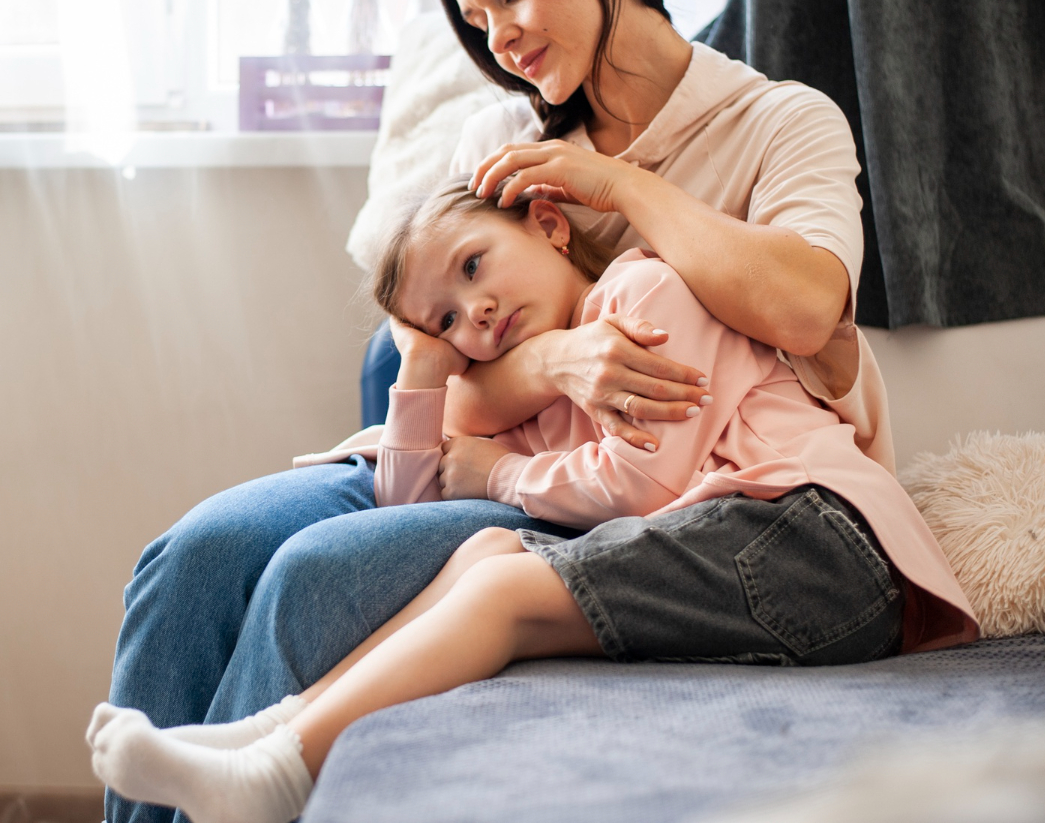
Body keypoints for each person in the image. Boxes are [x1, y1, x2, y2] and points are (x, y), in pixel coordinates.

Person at [104, 0, 892, 823]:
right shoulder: (495, 141)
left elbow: (808, 309)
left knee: (312, 576)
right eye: (477, 20)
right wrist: (561, 359)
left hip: (634, 480)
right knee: (192, 555)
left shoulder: (781, 123)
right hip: (476, 445)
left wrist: (624, 188)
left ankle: (265, 769)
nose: (500, 36)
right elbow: (435, 373)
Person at [88, 175, 977, 823]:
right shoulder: (531, 405)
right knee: (486, 553)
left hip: (818, 538)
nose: (473, 311)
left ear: (549, 225)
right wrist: (428, 363)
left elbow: (645, 484)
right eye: (445, 316)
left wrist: (496, 474)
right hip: (755, 547)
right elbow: (405, 505)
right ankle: (284, 726)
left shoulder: (643, 290)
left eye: (477, 267)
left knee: (508, 589)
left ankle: (277, 772)